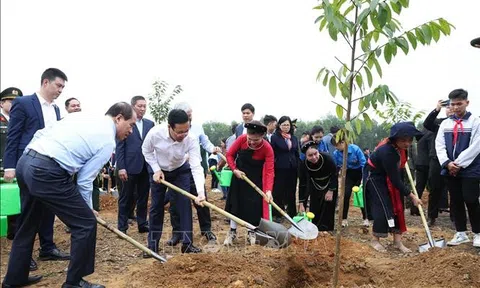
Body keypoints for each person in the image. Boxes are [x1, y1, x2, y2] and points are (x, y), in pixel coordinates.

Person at [2, 102, 136, 288]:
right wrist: (88, 209)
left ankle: (14, 279)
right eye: (131, 125)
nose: (131, 131)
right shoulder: (107, 140)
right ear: (119, 118)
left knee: (27, 224)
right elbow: (84, 180)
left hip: (26, 163)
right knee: (85, 223)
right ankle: (74, 282)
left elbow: (41, 132)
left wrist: (31, 158)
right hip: (46, 171)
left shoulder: (80, 117)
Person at [3, 68, 70, 271]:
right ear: (45, 82)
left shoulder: (57, 110)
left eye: (63, 87)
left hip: (49, 165)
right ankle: (23, 256)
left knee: (48, 208)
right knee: (29, 210)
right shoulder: (24, 103)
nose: (60, 90)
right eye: (58, 85)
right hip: (27, 164)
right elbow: (13, 136)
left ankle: (47, 248)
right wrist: (9, 166)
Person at [142, 109, 205, 254]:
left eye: (186, 131)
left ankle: (187, 244)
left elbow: (196, 165)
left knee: (184, 204)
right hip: (159, 172)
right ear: (169, 126)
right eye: (179, 132)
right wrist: (156, 169)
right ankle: (152, 246)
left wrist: (200, 192)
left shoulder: (191, 139)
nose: (183, 135)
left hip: (180, 170)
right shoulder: (154, 133)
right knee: (157, 206)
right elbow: (146, 151)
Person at [166, 102, 220, 246]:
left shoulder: (197, 127)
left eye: (190, 116)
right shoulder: (172, 129)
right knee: (175, 202)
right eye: (187, 116)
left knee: (202, 199)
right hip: (177, 171)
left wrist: (212, 149)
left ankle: (206, 229)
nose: (189, 119)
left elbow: (205, 142)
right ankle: (177, 232)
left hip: (195, 169)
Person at [365, 122, 423, 253]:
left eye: (410, 140)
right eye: (403, 140)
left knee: (398, 206)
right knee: (383, 207)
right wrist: (412, 196)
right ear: (395, 139)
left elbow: (397, 174)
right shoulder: (387, 152)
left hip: (391, 176)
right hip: (376, 178)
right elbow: (394, 179)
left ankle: (397, 241)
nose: (407, 144)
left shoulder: (400, 148)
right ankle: (375, 239)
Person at [436, 89, 480, 248]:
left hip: (470, 169)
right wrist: (447, 163)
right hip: (449, 168)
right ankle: (461, 232)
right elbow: (439, 145)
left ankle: (477, 232)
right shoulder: (445, 124)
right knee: (456, 201)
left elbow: (476, 146)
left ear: (467, 103)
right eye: (453, 104)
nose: (455, 107)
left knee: (471, 199)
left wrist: (458, 164)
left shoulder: (475, 122)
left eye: (459, 104)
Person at [224, 121, 274, 246]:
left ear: (262, 136)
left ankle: (251, 231)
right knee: (235, 204)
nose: (251, 142)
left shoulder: (267, 148)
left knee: (253, 207)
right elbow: (229, 155)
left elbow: (269, 171)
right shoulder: (241, 139)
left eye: (255, 140)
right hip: (239, 177)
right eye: (250, 139)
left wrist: (268, 190)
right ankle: (232, 231)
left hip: (255, 180)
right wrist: (234, 169)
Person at [116, 96, 154, 234]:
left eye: (144, 106)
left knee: (143, 197)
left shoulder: (150, 124)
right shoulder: (125, 124)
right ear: (132, 107)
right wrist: (121, 167)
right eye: (140, 106)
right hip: (129, 166)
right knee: (126, 197)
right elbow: (120, 146)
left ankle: (142, 223)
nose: (142, 109)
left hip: (145, 166)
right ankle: (122, 226)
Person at [424, 100, 454, 225]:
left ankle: (455, 217)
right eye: (448, 107)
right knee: (435, 188)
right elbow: (427, 123)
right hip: (437, 160)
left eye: (453, 106)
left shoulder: (463, 123)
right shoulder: (439, 123)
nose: (451, 109)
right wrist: (437, 109)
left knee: (454, 189)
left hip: (454, 160)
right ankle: (432, 216)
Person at [298, 141, 338, 232]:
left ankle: (327, 230)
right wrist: (301, 202)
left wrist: (331, 190)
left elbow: (334, 175)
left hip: (329, 184)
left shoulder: (328, 159)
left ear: (318, 151)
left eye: (315, 154)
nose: (314, 157)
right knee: (315, 207)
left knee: (328, 207)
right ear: (306, 156)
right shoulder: (303, 164)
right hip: (315, 185)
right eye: (310, 155)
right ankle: (315, 229)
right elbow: (302, 183)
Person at [0, 87, 23, 240]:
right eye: (11, 101)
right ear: (2, 103)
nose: (14, 104)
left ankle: (13, 234)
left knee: (14, 200)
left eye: (17, 101)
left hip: (16, 167)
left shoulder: (20, 121)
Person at [331, 137, 368, 227]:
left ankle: (365, 218)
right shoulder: (336, 153)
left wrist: (364, 178)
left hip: (359, 173)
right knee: (346, 195)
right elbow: (336, 167)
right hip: (348, 174)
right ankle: (344, 219)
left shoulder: (355, 149)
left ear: (343, 142)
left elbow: (364, 164)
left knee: (361, 195)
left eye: (337, 145)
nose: (336, 148)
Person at [270, 116, 299, 220]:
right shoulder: (275, 137)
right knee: (278, 191)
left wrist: (298, 165)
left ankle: (292, 213)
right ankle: (277, 213)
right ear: (279, 126)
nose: (286, 127)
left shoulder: (294, 138)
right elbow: (272, 153)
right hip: (280, 168)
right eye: (283, 125)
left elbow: (296, 153)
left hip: (292, 168)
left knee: (291, 190)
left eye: (287, 125)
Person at [411, 127, 433, 217]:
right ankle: (431, 212)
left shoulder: (420, 133)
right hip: (428, 163)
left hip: (420, 162)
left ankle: (414, 209)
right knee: (432, 187)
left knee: (419, 187)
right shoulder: (431, 133)